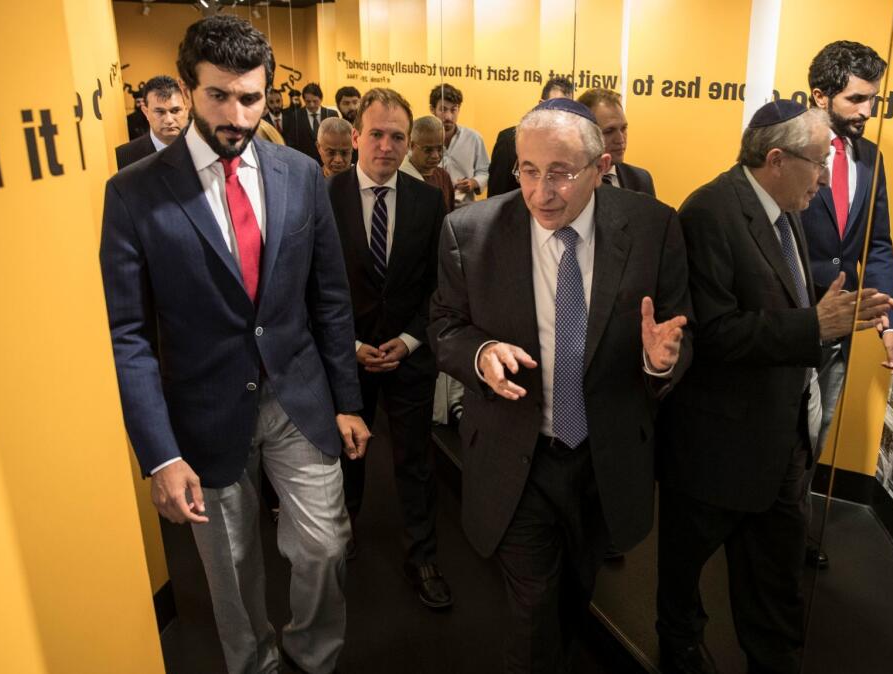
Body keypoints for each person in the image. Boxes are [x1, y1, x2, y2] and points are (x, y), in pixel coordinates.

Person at [98, 16, 370, 674]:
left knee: (326, 545)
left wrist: (349, 400)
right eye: (219, 95)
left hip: (297, 396)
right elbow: (129, 335)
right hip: (204, 413)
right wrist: (160, 454)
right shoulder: (133, 192)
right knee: (233, 572)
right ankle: (256, 666)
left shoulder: (300, 174)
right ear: (189, 90)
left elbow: (330, 297)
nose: (237, 113)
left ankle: (314, 655)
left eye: (251, 97)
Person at [429, 97, 693, 672]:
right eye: (527, 170)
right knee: (530, 612)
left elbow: (678, 334)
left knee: (575, 593)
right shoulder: (469, 231)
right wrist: (481, 352)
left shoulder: (653, 227)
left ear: (600, 169)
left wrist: (659, 360)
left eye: (560, 173)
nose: (540, 192)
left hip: (606, 458)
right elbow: (443, 327)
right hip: (517, 457)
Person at [654, 101, 893, 674]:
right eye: (818, 163)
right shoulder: (710, 212)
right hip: (717, 448)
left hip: (782, 443)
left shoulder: (785, 205)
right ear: (777, 158)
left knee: (776, 592)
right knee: (684, 574)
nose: (825, 178)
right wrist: (815, 324)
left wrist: (823, 315)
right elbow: (712, 334)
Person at [327, 88, 452, 610]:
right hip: (346, 357)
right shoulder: (324, 197)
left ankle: (421, 554)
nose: (386, 146)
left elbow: (439, 287)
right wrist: (351, 346)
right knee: (346, 456)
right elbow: (314, 289)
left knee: (414, 460)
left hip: (408, 355)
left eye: (396, 137)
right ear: (355, 136)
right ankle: (342, 534)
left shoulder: (427, 200)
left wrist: (407, 340)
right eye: (375, 134)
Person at [802, 40, 893, 469]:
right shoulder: (785, 149)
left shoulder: (870, 159)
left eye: (873, 99)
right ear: (820, 96)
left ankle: (794, 527)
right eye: (857, 99)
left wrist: (889, 325)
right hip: (788, 319)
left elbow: (877, 245)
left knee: (816, 433)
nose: (867, 111)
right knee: (773, 434)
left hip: (841, 327)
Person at [486, 76, 574, 197]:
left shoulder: (571, 145)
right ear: (541, 104)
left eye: (567, 109)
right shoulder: (509, 141)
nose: (561, 114)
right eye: (556, 106)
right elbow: (495, 197)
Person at [576, 88, 656, 197]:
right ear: (584, 133)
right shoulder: (570, 181)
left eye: (623, 129)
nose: (620, 139)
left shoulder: (641, 180)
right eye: (609, 131)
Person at [429, 84, 489, 207]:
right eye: (443, 109)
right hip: (430, 207)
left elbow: (485, 171)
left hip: (464, 208)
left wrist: (473, 182)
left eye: (453, 110)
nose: (448, 117)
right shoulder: (421, 139)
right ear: (432, 109)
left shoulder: (474, 138)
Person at [115, 75, 189, 170]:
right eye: (160, 112)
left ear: (187, 110)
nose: (169, 120)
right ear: (146, 112)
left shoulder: (207, 149)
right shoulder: (123, 157)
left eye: (175, 111)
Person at [399, 115, 456, 213]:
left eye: (439, 148)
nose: (435, 156)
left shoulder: (444, 176)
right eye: (428, 150)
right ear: (411, 145)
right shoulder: (401, 177)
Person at [285, 82, 337, 164]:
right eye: (308, 101)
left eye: (315, 101)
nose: (312, 105)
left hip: (327, 161)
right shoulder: (296, 116)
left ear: (321, 99)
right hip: (304, 162)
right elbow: (291, 142)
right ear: (304, 100)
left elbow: (336, 140)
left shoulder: (331, 114)